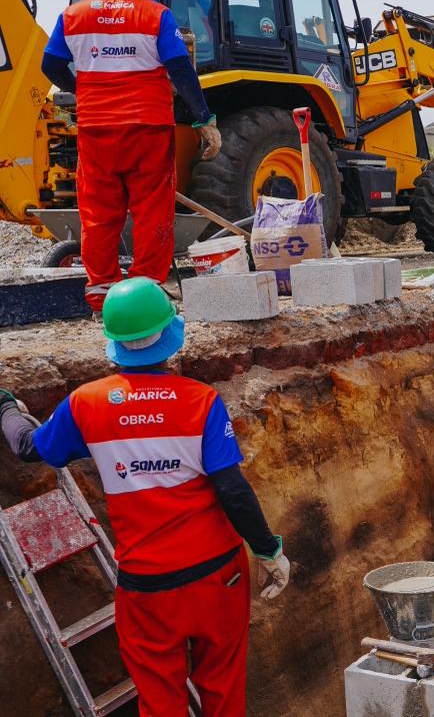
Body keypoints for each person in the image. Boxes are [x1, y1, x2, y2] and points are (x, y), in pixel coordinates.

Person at [1, 278, 288, 715]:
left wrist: (6, 407)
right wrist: (269, 550)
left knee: (160, 700)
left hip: (148, 589)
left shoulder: (87, 404)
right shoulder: (202, 402)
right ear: (169, 338)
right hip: (218, 578)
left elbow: (30, 448)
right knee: (223, 687)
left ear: (114, 343)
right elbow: (231, 488)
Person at [40, 0, 222, 312]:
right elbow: (180, 70)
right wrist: (204, 119)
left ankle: (101, 292)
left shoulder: (73, 16)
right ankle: (146, 291)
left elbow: (50, 64)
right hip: (147, 130)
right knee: (151, 210)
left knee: (99, 213)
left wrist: (81, 87)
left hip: (97, 131)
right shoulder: (156, 16)